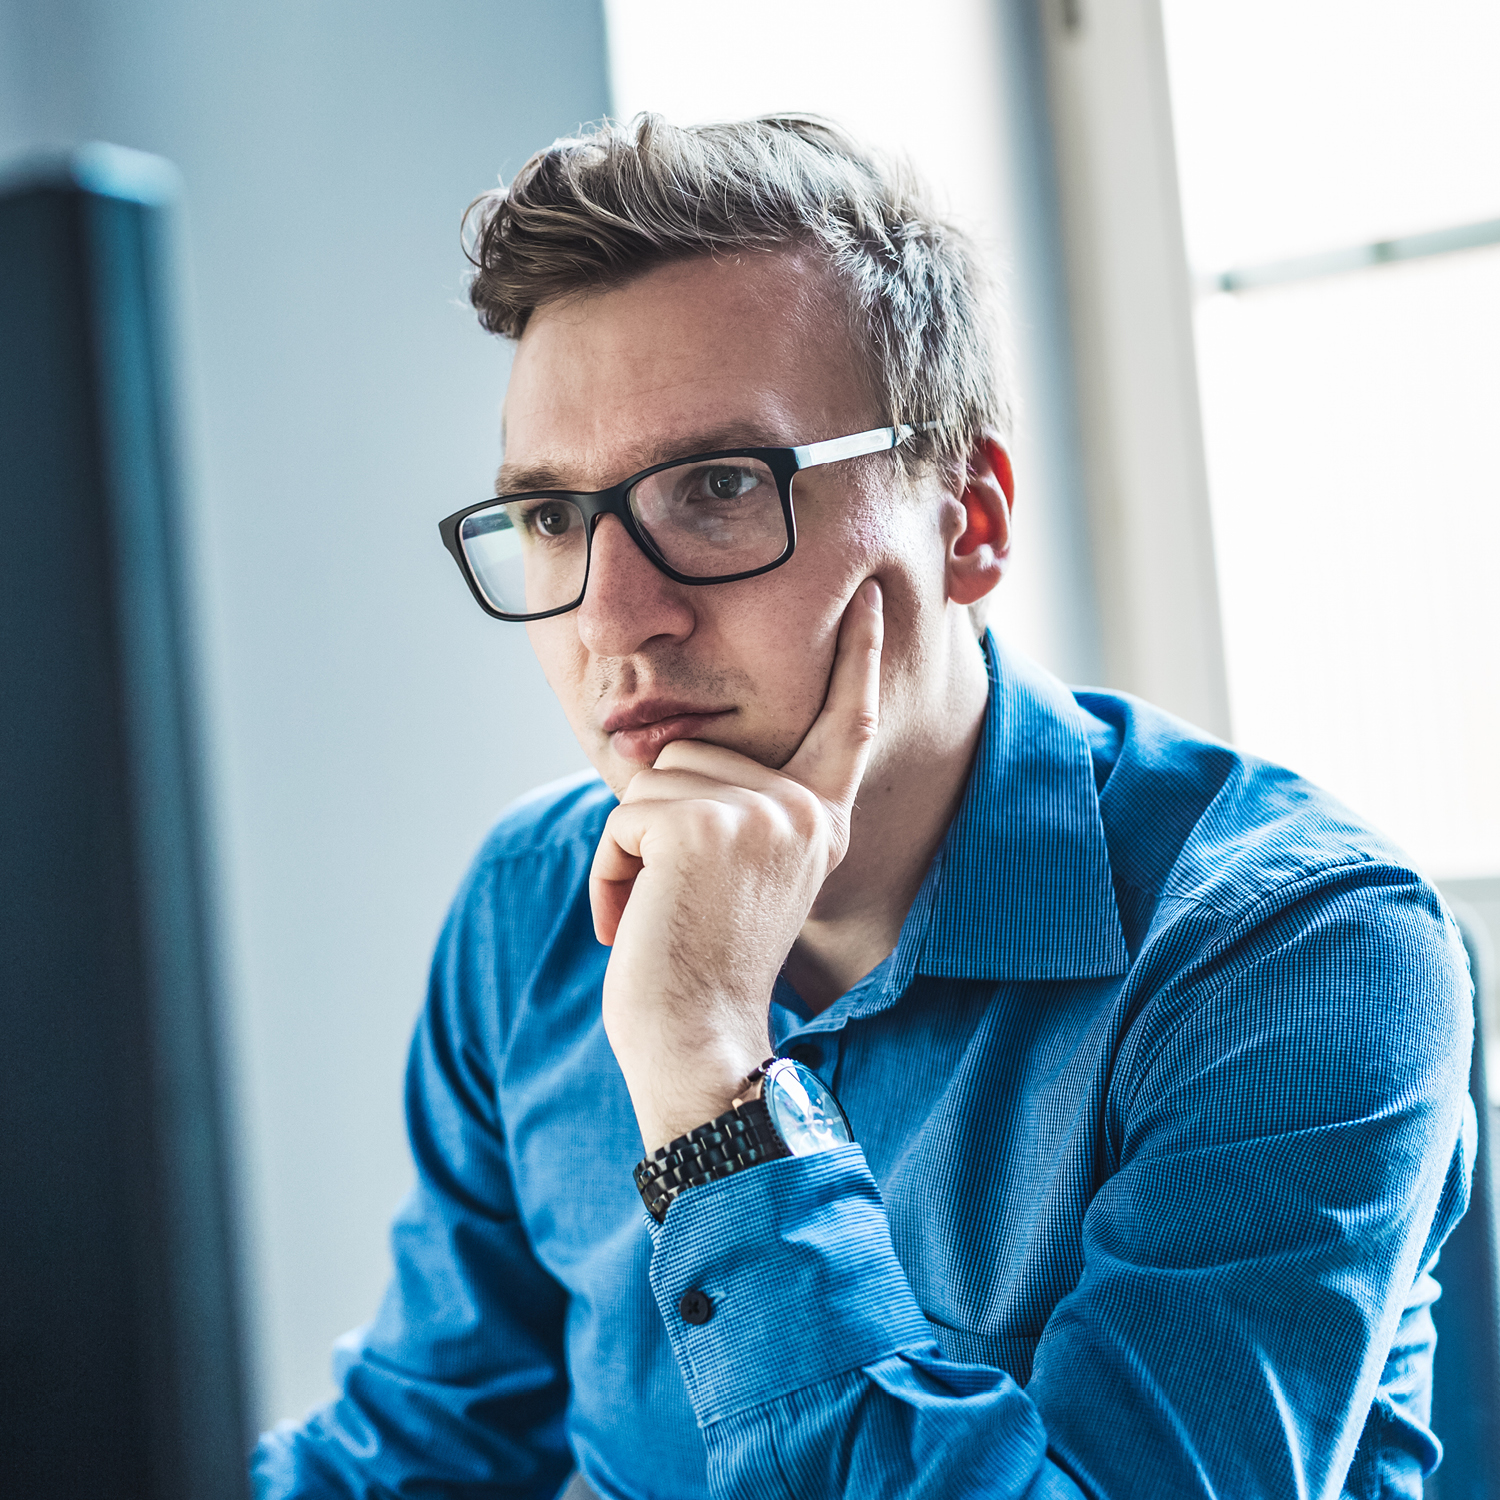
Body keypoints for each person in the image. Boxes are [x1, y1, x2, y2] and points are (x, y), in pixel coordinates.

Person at [252, 114, 1475, 1500]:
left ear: (971, 519)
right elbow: (422, 1450)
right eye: (550, 518)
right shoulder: (534, 902)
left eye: (716, 488)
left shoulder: (1299, 953)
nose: (611, 620)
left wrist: (711, 1079)